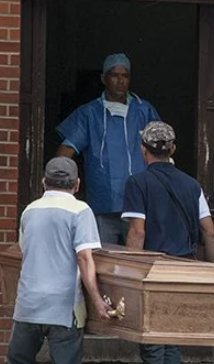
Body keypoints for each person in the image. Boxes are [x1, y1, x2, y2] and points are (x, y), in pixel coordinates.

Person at [6, 157, 111, 364]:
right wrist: (98, 301)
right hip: (64, 308)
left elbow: (25, 252)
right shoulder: (81, 211)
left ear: (44, 183)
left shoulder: (30, 211)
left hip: (27, 306)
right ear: (77, 185)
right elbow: (84, 258)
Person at [122, 121, 214, 364]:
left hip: (152, 270)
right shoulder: (192, 186)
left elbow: (137, 231)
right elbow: (209, 231)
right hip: (183, 269)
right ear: (173, 149)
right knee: (172, 343)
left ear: (143, 149)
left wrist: (130, 274)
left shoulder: (137, 183)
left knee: (152, 347)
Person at [56, 53, 160, 245]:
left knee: (137, 263)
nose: (120, 81)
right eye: (114, 75)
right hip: (103, 204)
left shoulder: (144, 110)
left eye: (125, 76)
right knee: (103, 259)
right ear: (104, 78)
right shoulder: (89, 113)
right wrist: (60, 187)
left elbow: (162, 150)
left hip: (138, 204)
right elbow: (66, 151)